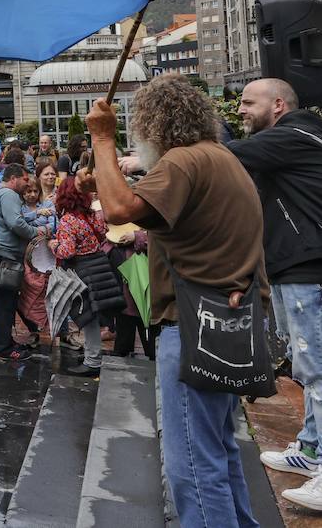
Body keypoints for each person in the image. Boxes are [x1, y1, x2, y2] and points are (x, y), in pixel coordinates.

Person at [87, 76, 267, 527]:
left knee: (191, 461)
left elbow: (117, 209)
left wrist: (102, 138)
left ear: (152, 124)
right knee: (220, 451)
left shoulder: (183, 161)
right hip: (228, 321)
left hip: (192, 325)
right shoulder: (221, 157)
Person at [227, 78, 322, 497]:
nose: (241, 110)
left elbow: (224, 155)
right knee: (306, 368)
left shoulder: (292, 135)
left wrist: (150, 159)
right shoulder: (285, 138)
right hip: (291, 267)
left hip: (307, 268)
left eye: (249, 103)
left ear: (278, 105)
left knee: (318, 367)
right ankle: (312, 449)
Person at [49, 175, 120, 377]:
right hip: (99, 268)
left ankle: (92, 361)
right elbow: (103, 231)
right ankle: (92, 353)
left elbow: (68, 251)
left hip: (82, 272)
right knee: (93, 316)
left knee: (87, 317)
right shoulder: (91, 215)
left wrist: (54, 246)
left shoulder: (68, 220)